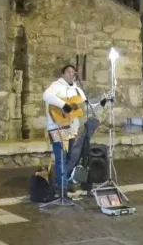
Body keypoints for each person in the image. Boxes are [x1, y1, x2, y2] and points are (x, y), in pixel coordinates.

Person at [41, 65, 108, 196]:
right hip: (58, 126)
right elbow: (46, 96)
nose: (72, 73)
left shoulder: (78, 90)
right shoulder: (56, 85)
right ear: (63, 74)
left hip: (71, 128)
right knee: (61, 158)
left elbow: (88, 107)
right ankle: (62, 191)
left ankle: (61, 184)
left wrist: (102, 102)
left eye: (73, 72)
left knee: (68, 158)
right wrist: (63, 105)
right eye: (69, 71)